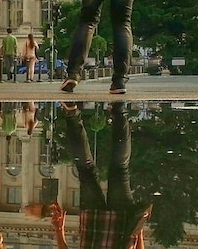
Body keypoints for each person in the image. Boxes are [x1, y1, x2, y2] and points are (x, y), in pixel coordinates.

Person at [26, 102, 151, 249]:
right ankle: (71, 113)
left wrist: (137, 227)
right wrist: (59, 230)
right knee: (86, 170)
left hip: (122, 226)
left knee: (120, 168)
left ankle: (119, 109)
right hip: (93, 228)